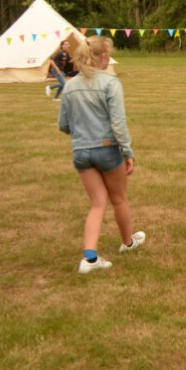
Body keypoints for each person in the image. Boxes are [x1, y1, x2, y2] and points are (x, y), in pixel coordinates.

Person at [58, 36, 145, 273]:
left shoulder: (69, 85)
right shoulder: (110, 83)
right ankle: (127, 242)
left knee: (97, 204)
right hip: (107, 149)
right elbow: (118, 123)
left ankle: (90, 258)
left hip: (81, 152)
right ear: (104, 56)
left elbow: (64, 125)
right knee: (118, 199)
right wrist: (128, 152)